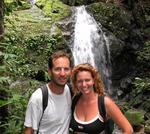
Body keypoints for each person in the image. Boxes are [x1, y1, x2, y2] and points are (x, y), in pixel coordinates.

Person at [70, 63, 133, 134]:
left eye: (87, 80)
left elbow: (128, 129)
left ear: (93, 80)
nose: (84, 85)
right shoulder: (74, 100)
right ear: (75, 83)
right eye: (80, 81)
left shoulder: (105, 102)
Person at [24, 50, 72, 134]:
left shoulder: (71, 91)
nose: (63, 73)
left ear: (70, 71)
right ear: (49, 71)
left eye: (66, 69)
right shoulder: (38, 98)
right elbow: (29, 130)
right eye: (57, 69)